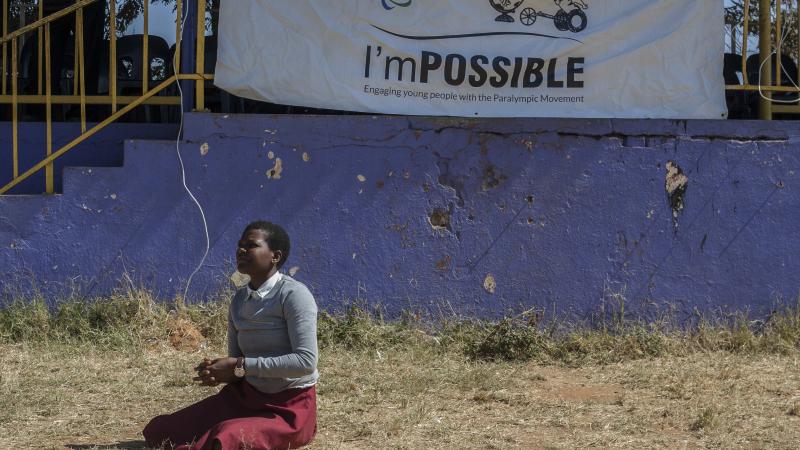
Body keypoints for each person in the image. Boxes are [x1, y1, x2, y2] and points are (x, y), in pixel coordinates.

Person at [143, 221, 319, 450]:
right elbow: (239, 366)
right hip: (246, 398)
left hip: (289, 406)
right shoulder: (239, 301)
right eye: (240, 245)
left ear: (275, 256)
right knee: (160, 431)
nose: (241, 250)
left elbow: (305, 362)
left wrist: (240, 366)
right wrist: (221, 373)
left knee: (225, 438)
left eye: (251, 245)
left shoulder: (294, 295)